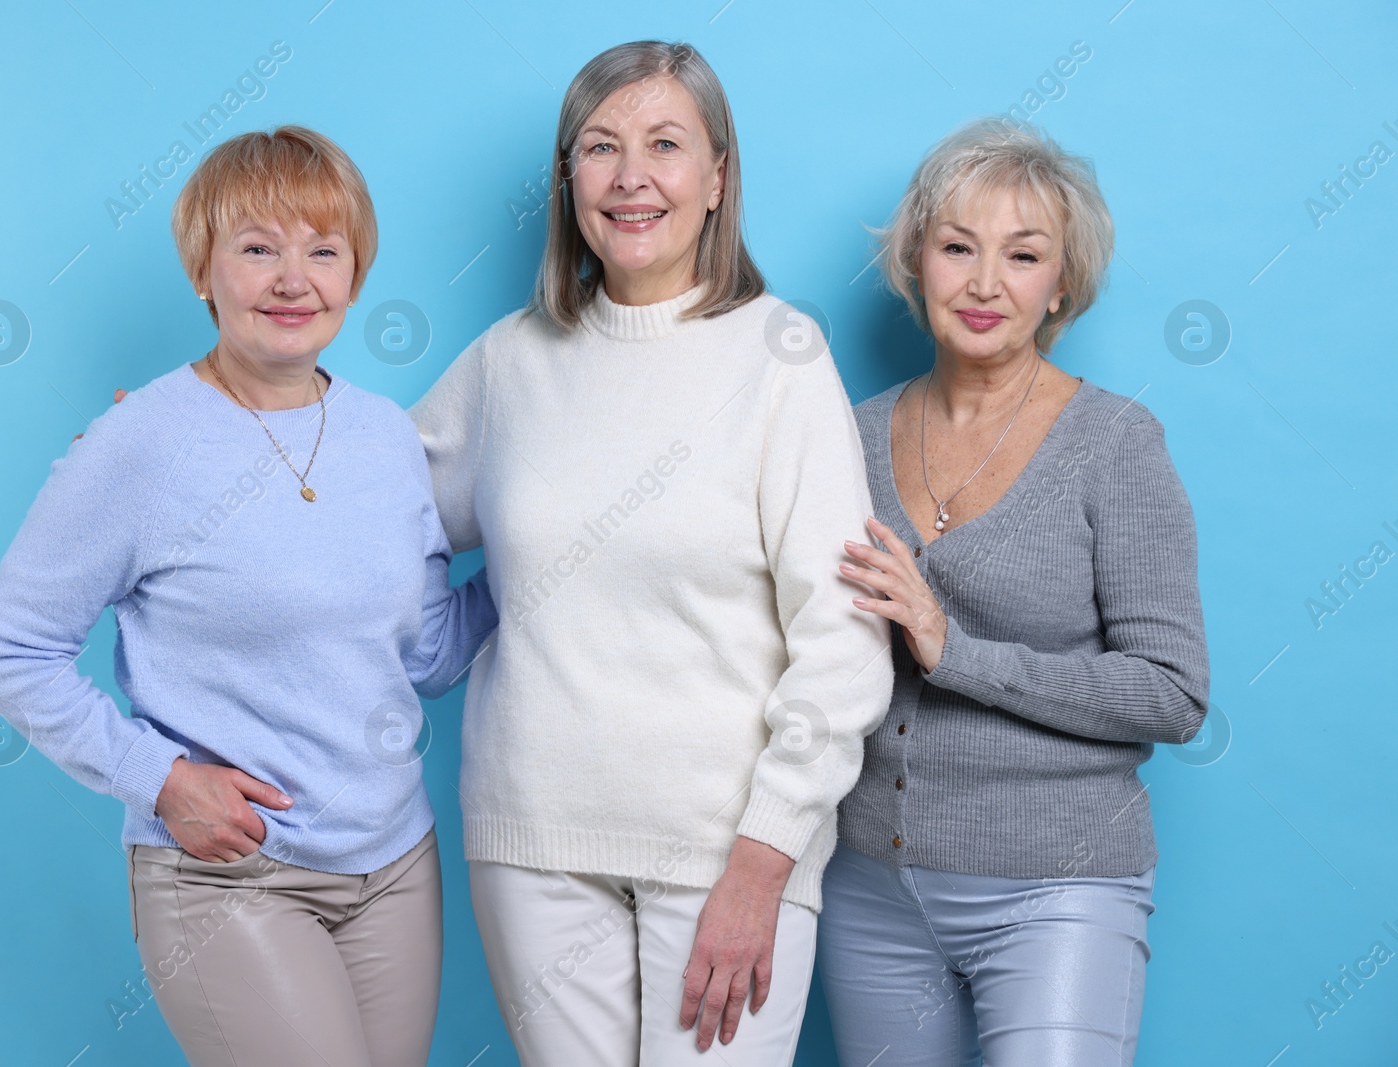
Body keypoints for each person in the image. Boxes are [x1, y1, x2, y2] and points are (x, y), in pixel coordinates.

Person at [409, 41, 893, 1066]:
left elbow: (844, 640)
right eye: (600, 147)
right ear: (567, 179)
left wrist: (763, 861)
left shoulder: (781, 358)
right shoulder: (508, 361)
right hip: (533, 837)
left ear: (717, 176)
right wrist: (221, 433)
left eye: (664, 145)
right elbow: (362, 509)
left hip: (729, 847)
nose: (631, 177)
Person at [0, 126, 496, 1067]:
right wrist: (161, 780)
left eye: (323, 250)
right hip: (231, 873)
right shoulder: (138, 443)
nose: (294, 280)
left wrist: (543, 557)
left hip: (396, 864)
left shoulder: (383, 437)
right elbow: (10, 651)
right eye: (259, 248)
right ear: (203, 270)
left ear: (355, 273)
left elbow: (428, 657)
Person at [819, 118, 1209, 1066]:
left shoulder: (1115, 444)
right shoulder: (846, 436)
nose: (985, 283)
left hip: (1060, 884)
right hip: (869, 884)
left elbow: (1174, 693)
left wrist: (955, 652)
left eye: (1023, 255)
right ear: (919, 261)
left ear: (1062, 282)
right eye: (958, 247)